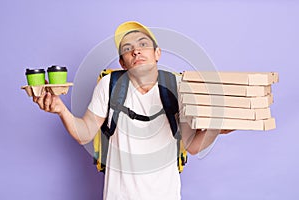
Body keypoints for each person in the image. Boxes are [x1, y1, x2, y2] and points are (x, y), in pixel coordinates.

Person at [33, 21, 232, 200]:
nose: (136, 51)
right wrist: (62, 111)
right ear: (122, 62)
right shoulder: (108, 85)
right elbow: (84, 133)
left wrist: (215, 129)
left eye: (143, 45)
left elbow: (192, 146)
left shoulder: (178, 86)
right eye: (127, 49)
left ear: (157, 53)